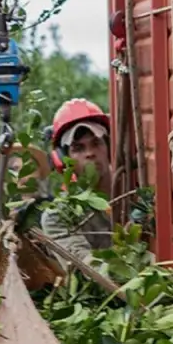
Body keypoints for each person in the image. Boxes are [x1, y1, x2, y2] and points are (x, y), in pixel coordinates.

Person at [40, 99, 115, 265]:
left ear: (109, 147)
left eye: (96, 143)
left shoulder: (135, 194)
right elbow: (89, 269)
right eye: (78, 148)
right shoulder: (59, 216)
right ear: (62, 160)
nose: (89, 153)